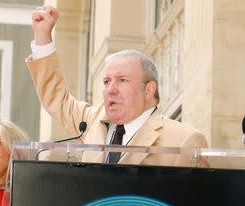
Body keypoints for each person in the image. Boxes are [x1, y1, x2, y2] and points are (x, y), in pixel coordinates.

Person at [26, 5, 209, 167]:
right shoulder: (92, 121)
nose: (111, 89)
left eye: (122, 80)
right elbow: (56, 98)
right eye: (107, 81)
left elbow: (195, 203)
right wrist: (43, 38)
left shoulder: (185, 141)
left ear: (148, 90)